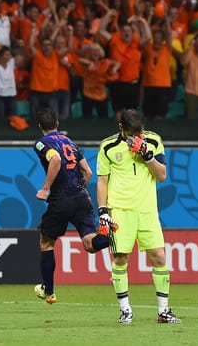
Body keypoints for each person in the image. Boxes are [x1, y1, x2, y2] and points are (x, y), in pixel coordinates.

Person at [96, 109, 181, 324]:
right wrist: (103, 210)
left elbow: (162, 176)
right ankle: (125, 311)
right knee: (120, 258)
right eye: (132, 132)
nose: (137, 136)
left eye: (139, 131)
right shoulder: (107, 146)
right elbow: (102, 181)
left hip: (147, 210)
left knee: (159, 257)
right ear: (121, 128)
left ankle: (164, 311)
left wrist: (148, 156)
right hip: (120, 211)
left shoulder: (153, 141)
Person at [32, 109, 113, 304]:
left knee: (46, 242)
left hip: (60, 199)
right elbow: (88, 172)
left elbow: (56, 159)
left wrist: (45, 188)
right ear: (58, 123)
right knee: (89, 243)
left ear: (40, 126)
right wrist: (77, 191)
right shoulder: (71, 142)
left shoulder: (42, 143)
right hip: (81, 197)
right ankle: (113, 237)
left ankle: (49, 292)